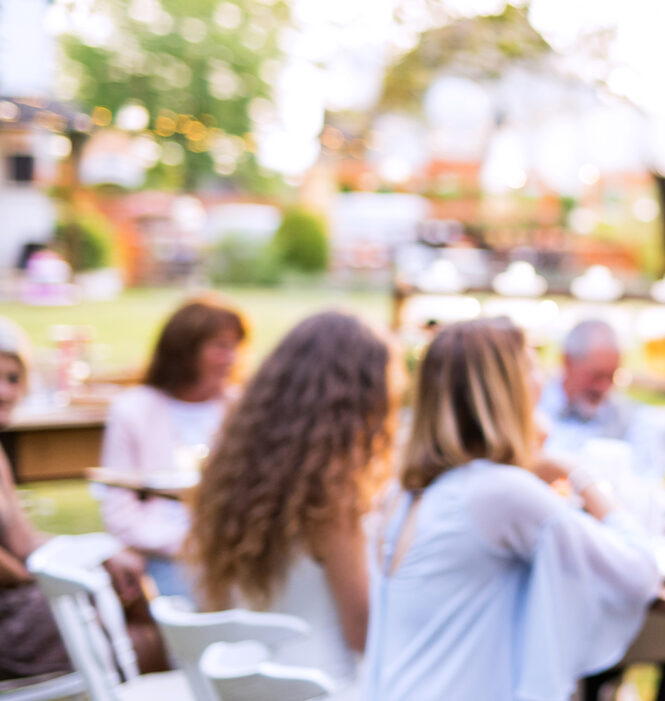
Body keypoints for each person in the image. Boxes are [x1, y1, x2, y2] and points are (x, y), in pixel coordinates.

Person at [363, 319, 662, 700]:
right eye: (532, 366)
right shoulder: (497, 492)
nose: (542, 380)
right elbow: (638, 571)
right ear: (508, 390)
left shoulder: (406, 494)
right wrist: (578, 473)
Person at [187, 310, 402, 697]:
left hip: (248, 683)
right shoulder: (332, 492)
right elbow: (364, 631)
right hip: (324, 687)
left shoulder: (235, 469)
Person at [0, 316, 166, 680]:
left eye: (13, 378)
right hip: (8, 615)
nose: (5, 391)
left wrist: (103, 552)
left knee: (133, 589)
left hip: (22, 594)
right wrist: (54, 576)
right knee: (143, 639)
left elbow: (24, 541)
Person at [101, 295, 247, 598]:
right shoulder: (133, 409)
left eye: (234, 347)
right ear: (185, 350)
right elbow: (119, 512)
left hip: (233, 551)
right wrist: (188, 545)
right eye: (220, 346)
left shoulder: (240, 408)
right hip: (163, 555)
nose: (230, 358)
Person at [537, 318, 665, 480]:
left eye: (611, 376)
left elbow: (649, 480)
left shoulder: (635, 419)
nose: (603, 387)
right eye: (596, 376)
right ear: (567, 361)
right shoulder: (533, 408)